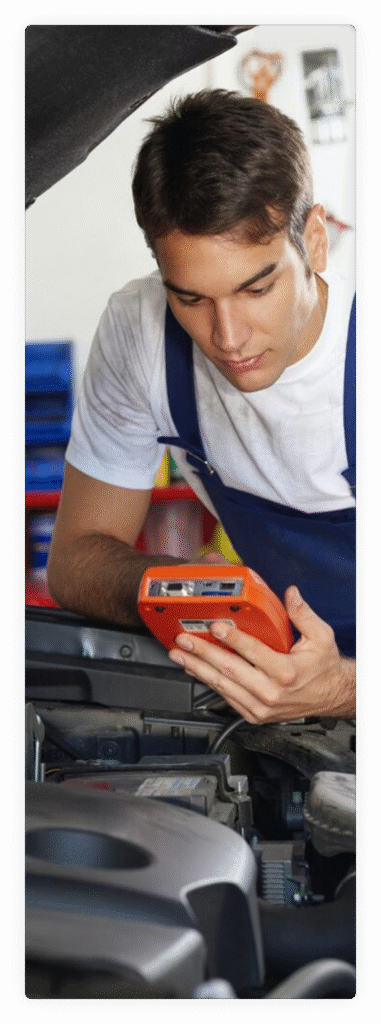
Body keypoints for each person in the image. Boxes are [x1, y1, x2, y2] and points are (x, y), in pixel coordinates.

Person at [47, 89, 356, 724]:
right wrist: (186, 590)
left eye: (258, 287)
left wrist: (339, 689)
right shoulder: (139, 334)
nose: (228, 337)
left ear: (315, 242)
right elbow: (77, 560)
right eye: (190, 299)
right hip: (281, 694)